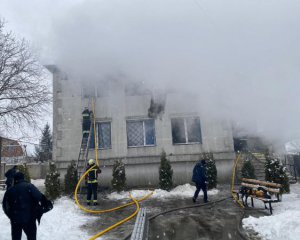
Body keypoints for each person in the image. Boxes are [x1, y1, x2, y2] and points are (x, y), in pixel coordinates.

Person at [2, 172, 52, 240]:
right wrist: (46, 206)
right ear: (23, 178)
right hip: (29, 219)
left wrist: (11, 216)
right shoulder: (29, 186)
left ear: (14, 179)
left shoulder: (10, 190)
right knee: (31, 237)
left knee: (16, 238)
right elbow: (40, 197)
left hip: (15, 220)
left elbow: (5, 206)